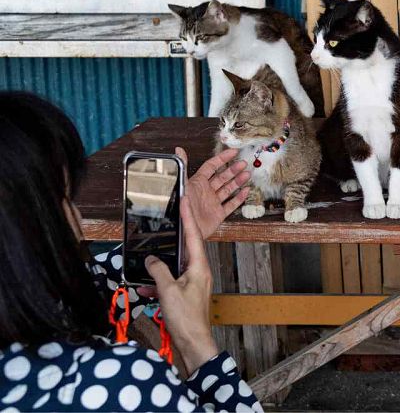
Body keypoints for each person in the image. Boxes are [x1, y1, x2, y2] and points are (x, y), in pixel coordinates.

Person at [0, 92, 260, 412]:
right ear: (21, 228)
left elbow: (85, 294)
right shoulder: (119, 383)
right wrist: (197, 345)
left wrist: (164, 239)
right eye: (65, 199)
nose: (78, 218)